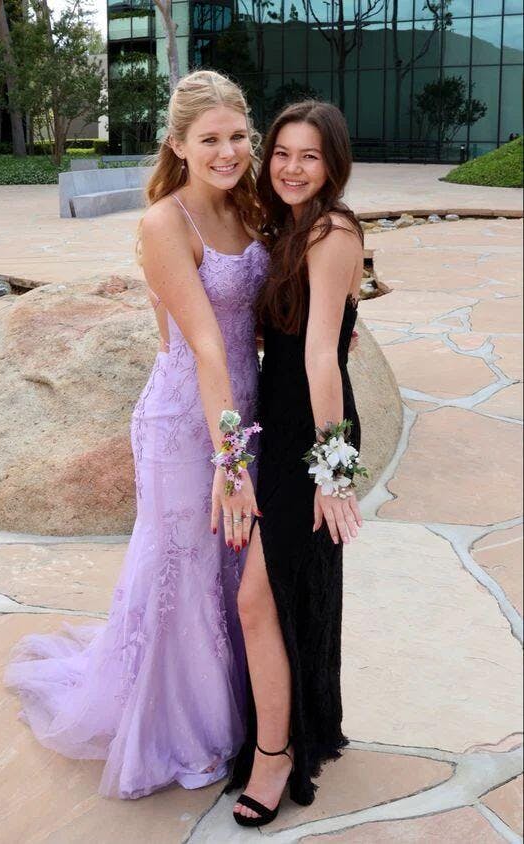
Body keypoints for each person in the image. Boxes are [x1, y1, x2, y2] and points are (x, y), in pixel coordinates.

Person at [4, 70, 269, 800]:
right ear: (177, 145)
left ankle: (238, 710)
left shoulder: (247, 207)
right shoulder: (164, 223)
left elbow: (255, 323)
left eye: (237, 136)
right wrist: (230, 463)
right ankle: (175, 729)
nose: (226, 152)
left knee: (231, 570)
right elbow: (207, 347)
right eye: (209, 139)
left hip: (241, 411)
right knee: (182, 572)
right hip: (186, 424)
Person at [226, 101, 366, 826]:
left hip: (310, 439)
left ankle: (274, 756)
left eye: (309, 155)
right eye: (281, 152)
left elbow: (320, 359)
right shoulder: (290, 227)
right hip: (278, 431)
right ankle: (291, 730)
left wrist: (333, 473)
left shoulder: (332, 231)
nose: (291, 167)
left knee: (259, 600)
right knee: (281, 597)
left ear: (332, 163)